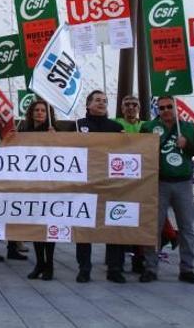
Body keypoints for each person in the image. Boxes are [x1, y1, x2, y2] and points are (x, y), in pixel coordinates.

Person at [139, 96, 194, 285]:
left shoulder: (188, 128)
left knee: (187, 227)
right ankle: (150, 268)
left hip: (183, 183)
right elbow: (138, 152)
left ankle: (187, 268)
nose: (166, 110)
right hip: (158, 183)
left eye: (170, 106)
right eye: (162, 108)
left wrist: (188, 145)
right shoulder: (148, 128)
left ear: (176, 108)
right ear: (157, 110)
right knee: (154, 227)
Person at [74, 90, 124, 283]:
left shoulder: (116, 127)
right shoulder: (78, 126)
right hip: (85, 185)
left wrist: (129, 141)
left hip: (111, 184)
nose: (101, 103)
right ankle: (84, 268)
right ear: (88, 105)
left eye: (104, 101)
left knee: (113, 225)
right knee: (84, 228)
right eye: (97, 100)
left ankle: (114, 268)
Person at [19, 98, 57, 281]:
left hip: (49, 187)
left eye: (43, 110)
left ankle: (49, 265)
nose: (40, 113)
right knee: (36, 226)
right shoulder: (23, 131)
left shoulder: (53, 131)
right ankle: (39, 263)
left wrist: (55, 139)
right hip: (30, 186)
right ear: (31, 113)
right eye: (37, 110)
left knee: (48, 226)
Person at [113, 94, 147, 274]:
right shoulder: (115, 125)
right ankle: (117, 261)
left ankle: (138, 259)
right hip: (119, 181)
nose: (131, 107)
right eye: (127, 104)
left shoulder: (145, 126)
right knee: (119, 219)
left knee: (140, 222)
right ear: (122, 107)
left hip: (141, 182)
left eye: (134, 104)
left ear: (139, 108)